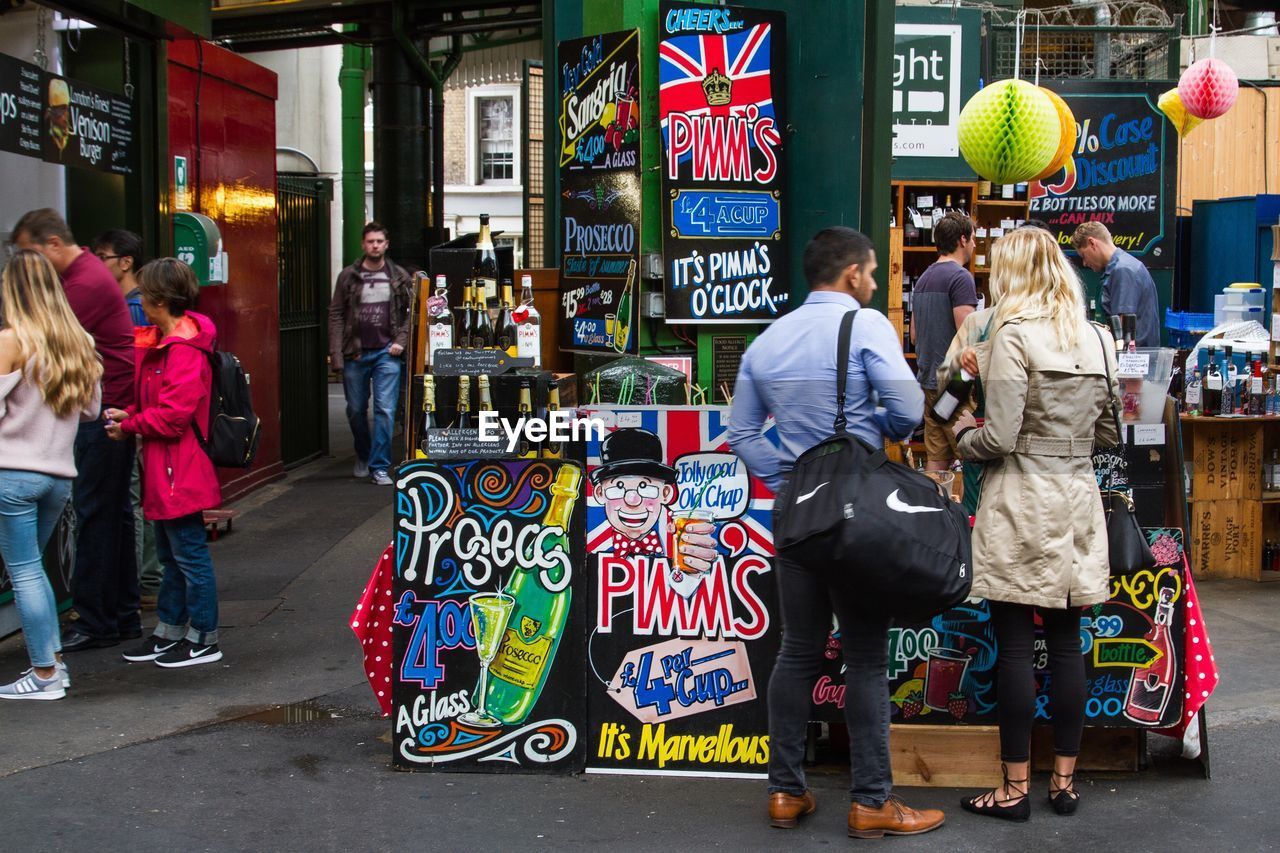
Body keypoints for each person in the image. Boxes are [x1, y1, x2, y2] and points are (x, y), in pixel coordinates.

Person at [728, 227, 942, 838]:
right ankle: (872, 800)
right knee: (865, 657)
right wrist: (871, 423)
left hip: (796, 514)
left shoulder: (766, 341)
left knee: (797, 650)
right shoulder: (866, 324)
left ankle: (786, 793)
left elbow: (742, 434)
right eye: (871, 273)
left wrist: (793, 476)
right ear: (852, 274)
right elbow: (906, 411)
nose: (872, 284)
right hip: (858, 516)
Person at [950, 227, 1119, 821]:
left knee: (1017, 646)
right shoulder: (1099, 339)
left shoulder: (1011, 338)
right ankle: (1065, 783)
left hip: (1021, 501)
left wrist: (964, 430)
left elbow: (995, 436)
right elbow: (1109, 433)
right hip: (1078, 501)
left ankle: (1015, 789)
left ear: (1012, 275)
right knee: (1069, 643)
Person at [11, 208, 140, 652]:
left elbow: (44, 342)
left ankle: (95, 620)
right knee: (112, 515)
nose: (28, 265)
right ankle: (121, 616)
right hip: (110, 409)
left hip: (103, 415)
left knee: (96, 516)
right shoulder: (86, 275)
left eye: (29, 253)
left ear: (50, 244)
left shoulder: (82, 284)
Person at [106, 258, 225, 668]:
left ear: (158, 299)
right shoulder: (176, 341)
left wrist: (130, 424)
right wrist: (132, 417)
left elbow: (173, 416)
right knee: (176, 554)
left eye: (142, 292)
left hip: (177, 465)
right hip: (171, 463)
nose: (138, 297)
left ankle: (204, 637)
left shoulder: (181, 349)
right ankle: (172, 632)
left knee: (187, 554)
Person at [0, 251, 102, 699]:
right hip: (57, 478)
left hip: (11, 475)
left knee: (23, 573)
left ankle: (44, 673)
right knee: (31, 572)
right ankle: (52, 667)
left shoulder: (11, 340)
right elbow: (92, 411)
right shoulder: (78, 341)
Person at [93, 229, 162, 611]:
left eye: (103, 256)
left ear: (125, 262)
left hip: (128, 416)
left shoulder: (135, 310)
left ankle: (138, 586)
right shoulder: (132, 306)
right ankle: (148, 581)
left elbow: (141, 370)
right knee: (140, 500)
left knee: (132, 501)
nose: (97, 265)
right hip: (132, 416)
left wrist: (133, 418)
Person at [328, 222, 414, 486]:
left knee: (385, 410)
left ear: (386, 245)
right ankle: (363, 454)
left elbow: (413, 313)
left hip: (387, 354)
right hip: (356, 352)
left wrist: (400, 341)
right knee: (355, 410)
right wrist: (336, 354)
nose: (375, 245)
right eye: (370, 241)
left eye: (379, 241)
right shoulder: (348, 277)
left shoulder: (399, 276)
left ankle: (380, 466)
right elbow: (336, 314)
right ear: (363, 245)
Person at [911, 211, 978, 472]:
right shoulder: (961, 278)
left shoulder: (924, 279)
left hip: (928, 380)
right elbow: (968, 335)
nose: (974, 244)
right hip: (955, 383)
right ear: (962, 239)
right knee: (971, 459)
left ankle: (934, 512)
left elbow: (914, 335)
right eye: (972, 238)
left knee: (936, 463)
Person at [1071, 221, 1160, 347]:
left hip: (1131, 360)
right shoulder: (1119, 268)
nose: (1084, 263)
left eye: (1083, 255)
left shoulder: (1123, 270)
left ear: (1092, 243)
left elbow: (1122, 331)